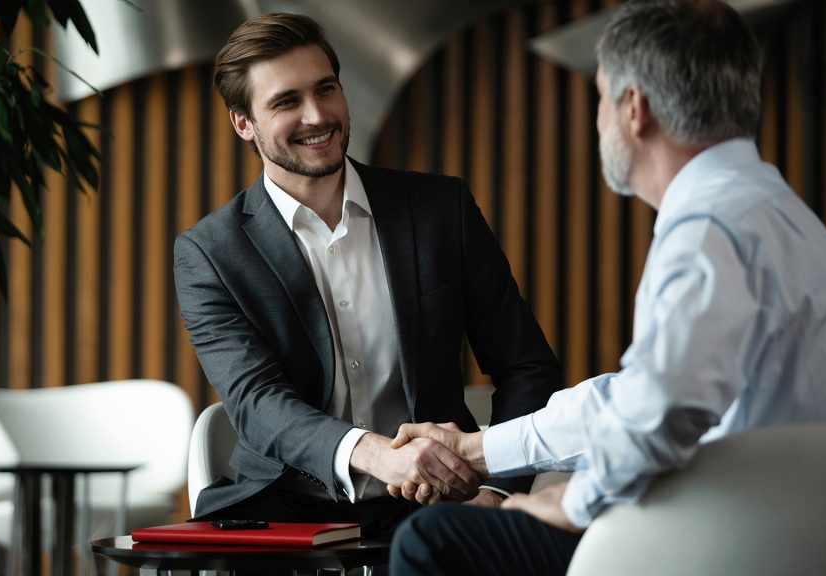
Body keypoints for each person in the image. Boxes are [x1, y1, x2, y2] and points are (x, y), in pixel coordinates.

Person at [387, 0, 826, 573]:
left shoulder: (706, 230)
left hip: (748, 545)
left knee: (430, 540)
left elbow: (656, 422)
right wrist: (477, 449)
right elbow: (640, 398)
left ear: (634, 108)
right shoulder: (778, 213)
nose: (600, 116)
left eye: (602, 97)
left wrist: (569, 503)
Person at [173, 13, 560, 538]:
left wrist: (496, 491)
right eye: (287, 102)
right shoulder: (210, 253)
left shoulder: (440, 209)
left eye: (326, 89)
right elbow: (258, 402)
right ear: (244, 123)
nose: (317, 115)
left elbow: (526, 366)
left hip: (445, 503)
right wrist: (374, 454)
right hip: (291, 504)